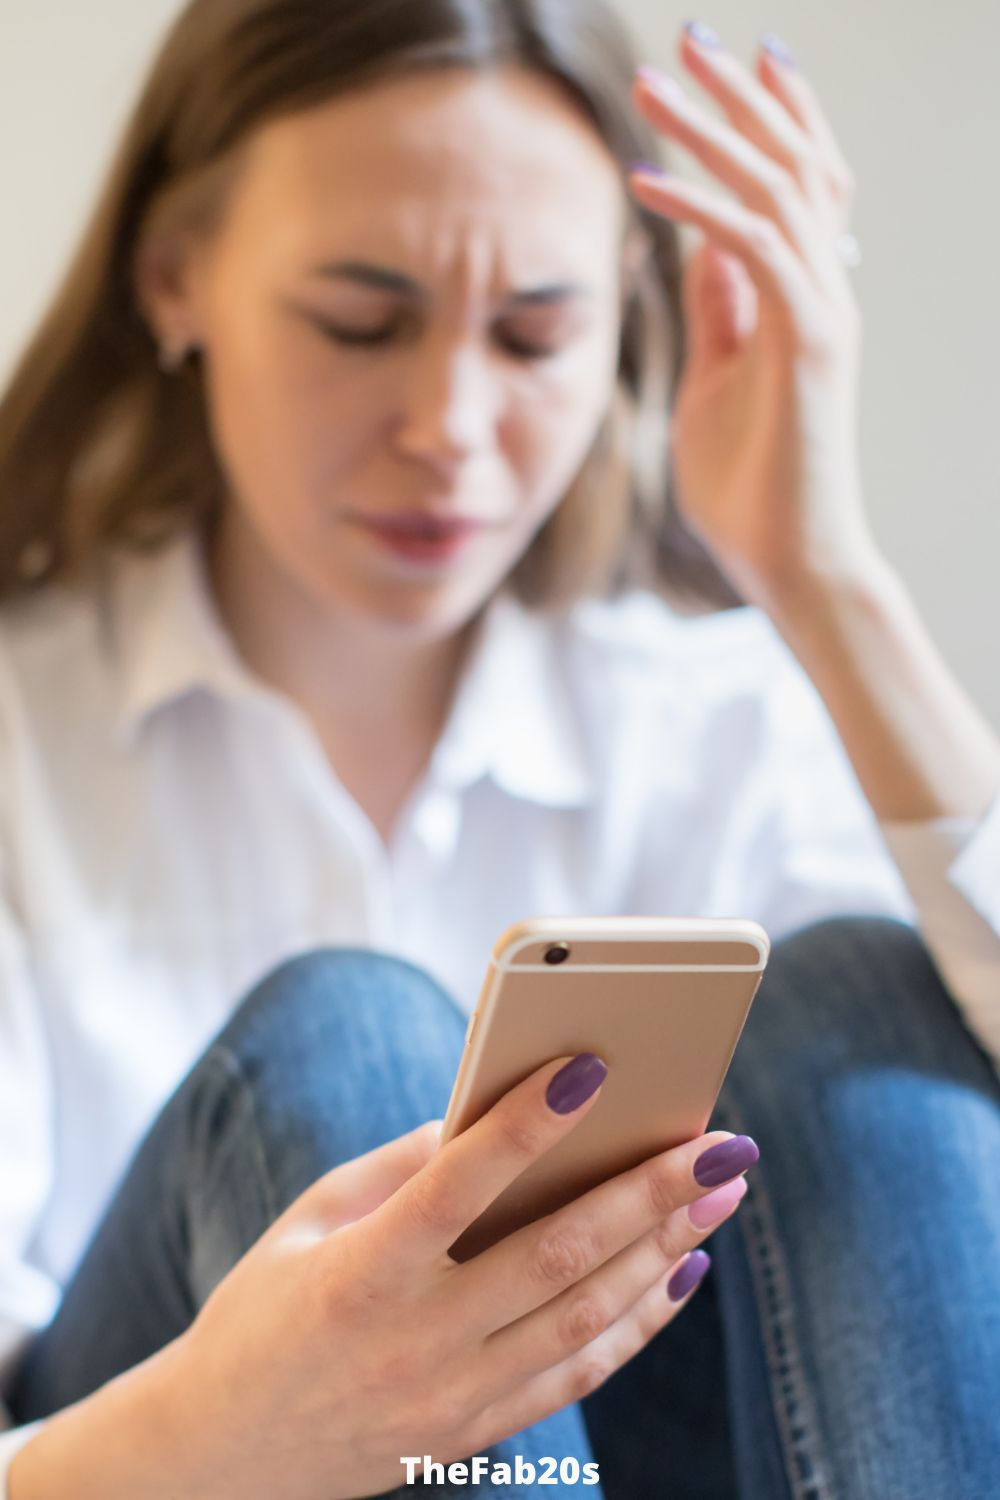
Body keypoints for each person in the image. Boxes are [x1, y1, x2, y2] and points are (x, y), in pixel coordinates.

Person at [1, 1, 999, 1496]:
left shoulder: (715, 719)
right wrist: (233, 1420)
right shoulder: (25, 729)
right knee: (356, 1053)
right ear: (174, 274)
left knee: (865, 981)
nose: (451, 426)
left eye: (536, 334)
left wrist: (825, 574)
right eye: (361, 322)